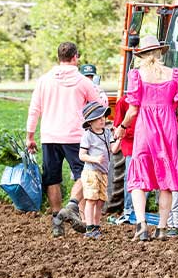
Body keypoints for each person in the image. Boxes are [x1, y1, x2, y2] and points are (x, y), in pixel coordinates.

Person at [114, 36, 178, 242]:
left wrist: (122, 128)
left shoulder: (137, 75)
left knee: (139, 177)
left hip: (144, 129)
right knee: (165, 179)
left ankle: (141, 225)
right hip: (167, 128)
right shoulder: (175, 75)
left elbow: (132, 111)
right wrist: (169, 109)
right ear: (159, 53)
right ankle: (163, 228)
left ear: (142, 56)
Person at [26, 41, 102, 237]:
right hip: (75, 135)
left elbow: (35, 109)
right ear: (75, 57)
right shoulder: (84, 82)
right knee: (85, 174)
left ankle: (57, 221)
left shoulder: (44, 80)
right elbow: (99, 105)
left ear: (59, 58)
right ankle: (74, 210)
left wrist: (30, 136)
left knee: (53, 179)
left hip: (49, 135)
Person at [79, 101, 119, 239]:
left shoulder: (107, 133)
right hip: (91, 172)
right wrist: (95, 159)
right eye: (98, 118)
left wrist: (119, 138)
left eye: (103, 117)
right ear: (90, 122)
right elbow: (82, 155)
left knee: (101, 201)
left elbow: (114, 149)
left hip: (103, 172)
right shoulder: (88, 135)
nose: (102, 119)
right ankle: (89, 228)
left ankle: (96, 226)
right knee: (91, 200)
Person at [112, 94, 136, 223]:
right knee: (130, 177)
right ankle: (129, 210)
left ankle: (138, 209)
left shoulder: (149, 98)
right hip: (131, 144)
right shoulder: (123, 101)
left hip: (148, 143)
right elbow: (118, 127)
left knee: (148, 178)